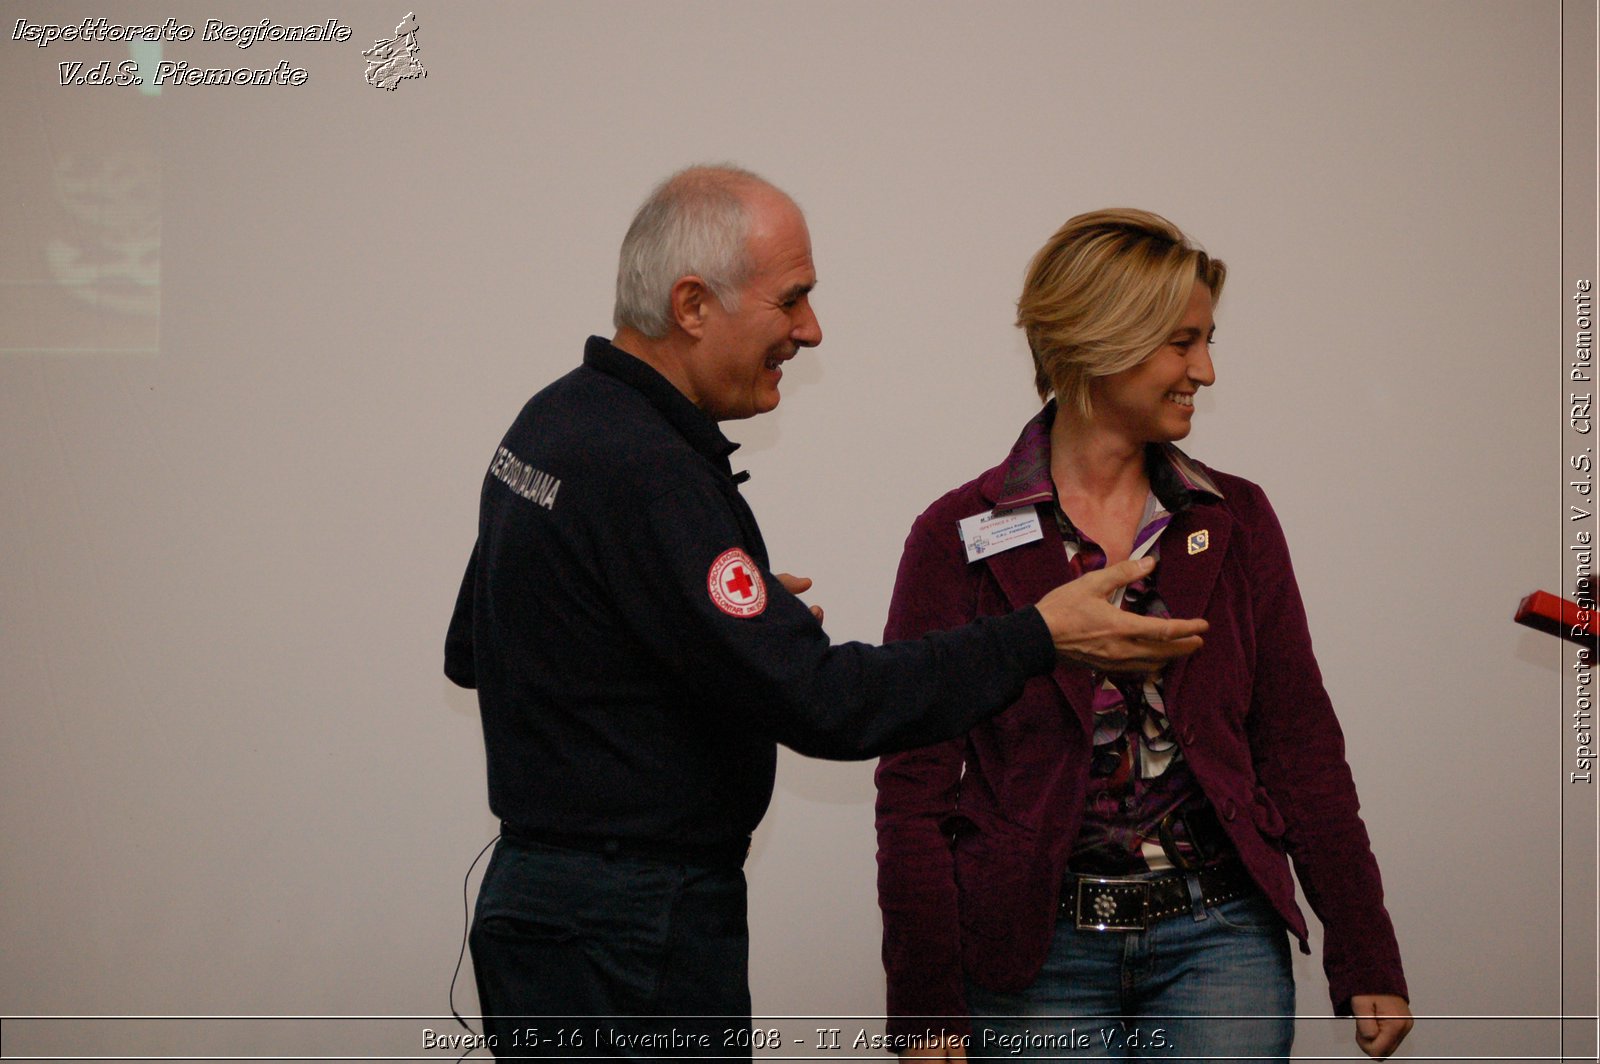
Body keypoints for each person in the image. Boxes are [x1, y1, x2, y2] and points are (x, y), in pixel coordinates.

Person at [443, 168, 1209, 1059]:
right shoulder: (648, 467)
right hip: (627, 933)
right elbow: (830, 704)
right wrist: (1040, 634)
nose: (810, 330)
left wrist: (699, 624)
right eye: (792, 300)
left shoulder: (553, 422)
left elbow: (479, 644)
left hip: (556, 913)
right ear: (692, 304)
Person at [874, 209, 1413, 1062]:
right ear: (1099, 342)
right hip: (1032, 958)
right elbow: (914, 786)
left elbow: (1300, 743)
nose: (1205, 369)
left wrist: (1363, 946)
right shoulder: (958, 535)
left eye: (1206, 340)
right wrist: (924, 996)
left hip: (1220, 939)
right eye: (1181, 343)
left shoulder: (1234, 519)